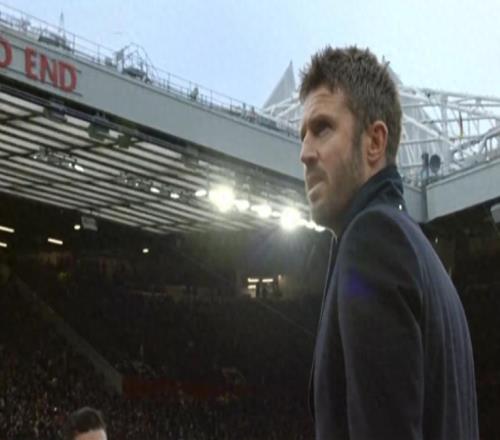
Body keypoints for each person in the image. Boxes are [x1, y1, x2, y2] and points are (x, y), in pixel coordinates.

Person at [299, 46, 479, 440]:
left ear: (374, 142)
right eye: (303, 135)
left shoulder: (371, 241)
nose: (305, 153)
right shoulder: (424, 258)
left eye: (322, 128)